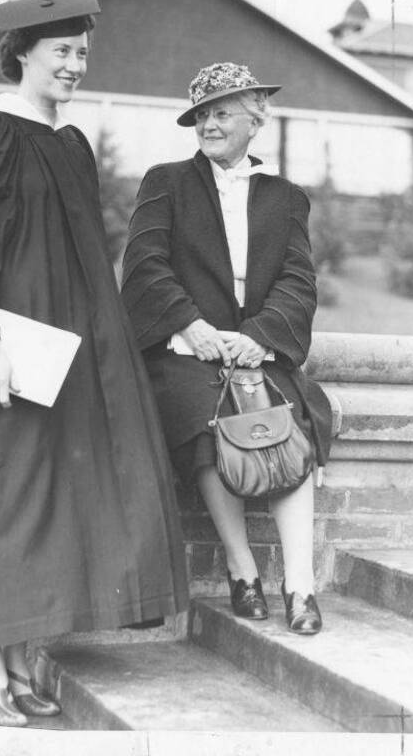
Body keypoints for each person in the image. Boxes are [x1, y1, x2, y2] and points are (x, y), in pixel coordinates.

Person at [0, 0, 188, 727]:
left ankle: (24, 656)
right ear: (22, 54)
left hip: (68, 353)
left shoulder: (68, 143)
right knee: (5, 502)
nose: (75, 64)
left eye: (82, 53)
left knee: (53, 506)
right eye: (61, 51)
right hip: (8, 353)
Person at [122, 62, 332, 637]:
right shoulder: (165, 181)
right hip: (187, 351)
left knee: (290, 422)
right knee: (201, 419)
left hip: (254, 348)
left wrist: (259, 336)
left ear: (254, 119)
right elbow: (144, 266)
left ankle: (300, 585)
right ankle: (243, 573)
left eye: (221, 113)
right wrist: (191, 326)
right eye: (201, 116)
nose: (209, 125)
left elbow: (298, 279)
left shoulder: (286, 197)